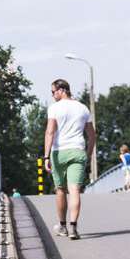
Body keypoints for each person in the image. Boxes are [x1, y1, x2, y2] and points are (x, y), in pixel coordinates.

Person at [42, 79, 96, 239]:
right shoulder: (83, 108)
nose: (52, 95)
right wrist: (88, 154)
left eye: (53, 92)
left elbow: (50, 132)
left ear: (61, 90)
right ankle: (73, 227)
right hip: (78, 150)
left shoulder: (54, 108)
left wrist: (46, 156)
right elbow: (92, 136)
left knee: (60, 190)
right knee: (74, 190)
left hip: (59, 152)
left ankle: (62, 226)